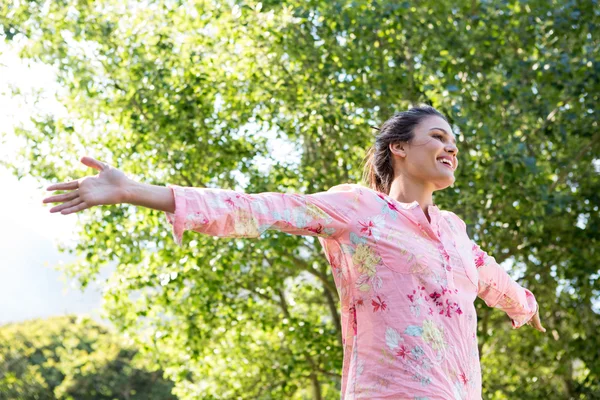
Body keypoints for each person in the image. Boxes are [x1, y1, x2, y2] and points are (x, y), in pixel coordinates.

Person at [43, 105, 545, 399]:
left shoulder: (455, 233)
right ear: (399, 147)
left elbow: (499, 284)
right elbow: (259, 208)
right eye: (438, 136)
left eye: (454, 141)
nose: (451, 147)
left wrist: (528, 307)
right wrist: (134, 190)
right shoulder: (358, 210)